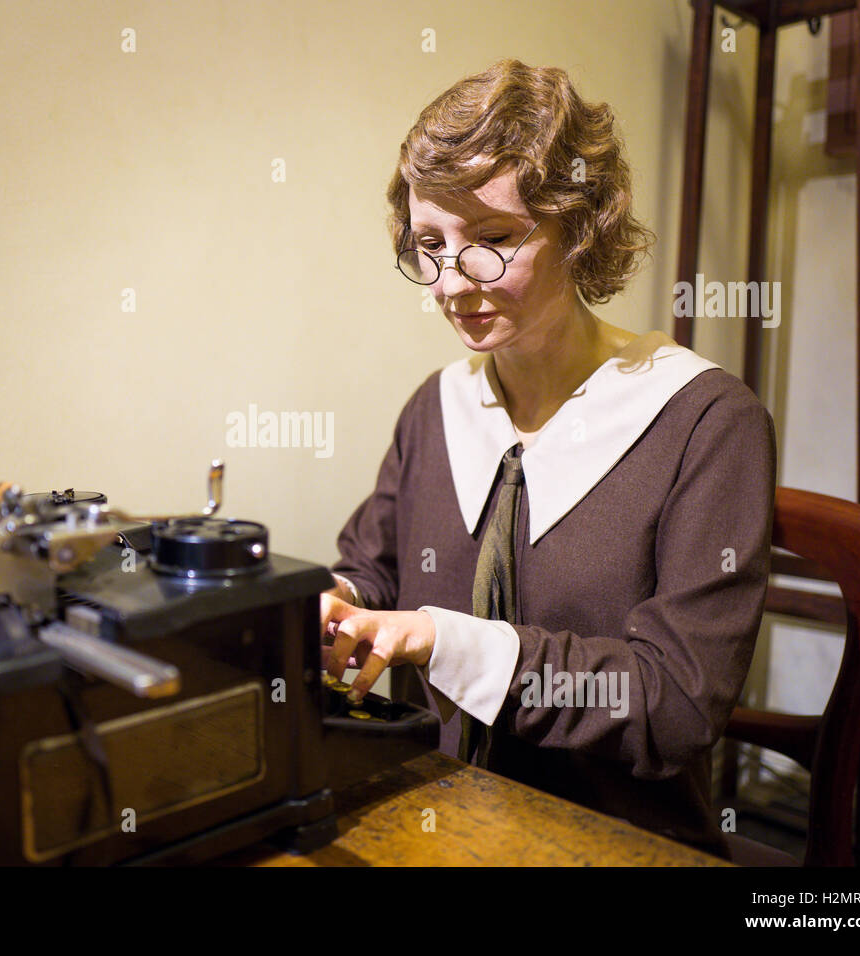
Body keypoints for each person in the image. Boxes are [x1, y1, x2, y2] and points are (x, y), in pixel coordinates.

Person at [321, 59, 777, 858]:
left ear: (583, 224)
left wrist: (443, 641)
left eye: (494, 238)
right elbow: (374, 567)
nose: (454, 280)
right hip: (438, 819)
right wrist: (339, 602)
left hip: (616, 841)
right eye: (430, 244)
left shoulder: (707, 422)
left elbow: (675, 706)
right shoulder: (437, 407)